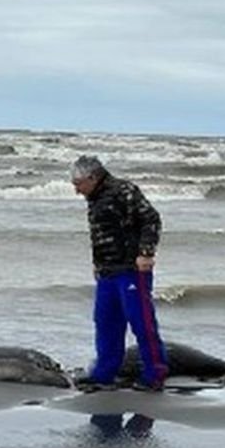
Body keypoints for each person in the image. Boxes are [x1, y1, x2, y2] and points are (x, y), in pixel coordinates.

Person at [71, 155, 169, 392]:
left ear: (93, 177)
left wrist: (146, 253)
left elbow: (151, 219)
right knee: (105, 322)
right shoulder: (94, 198)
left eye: (78, 184)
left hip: (132, 270)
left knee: (141, 322)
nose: (77, 191)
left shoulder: (123, 190)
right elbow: (101, 235)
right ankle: (104, 374)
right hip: (107, 272)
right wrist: (97, 263)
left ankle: (155, 373)